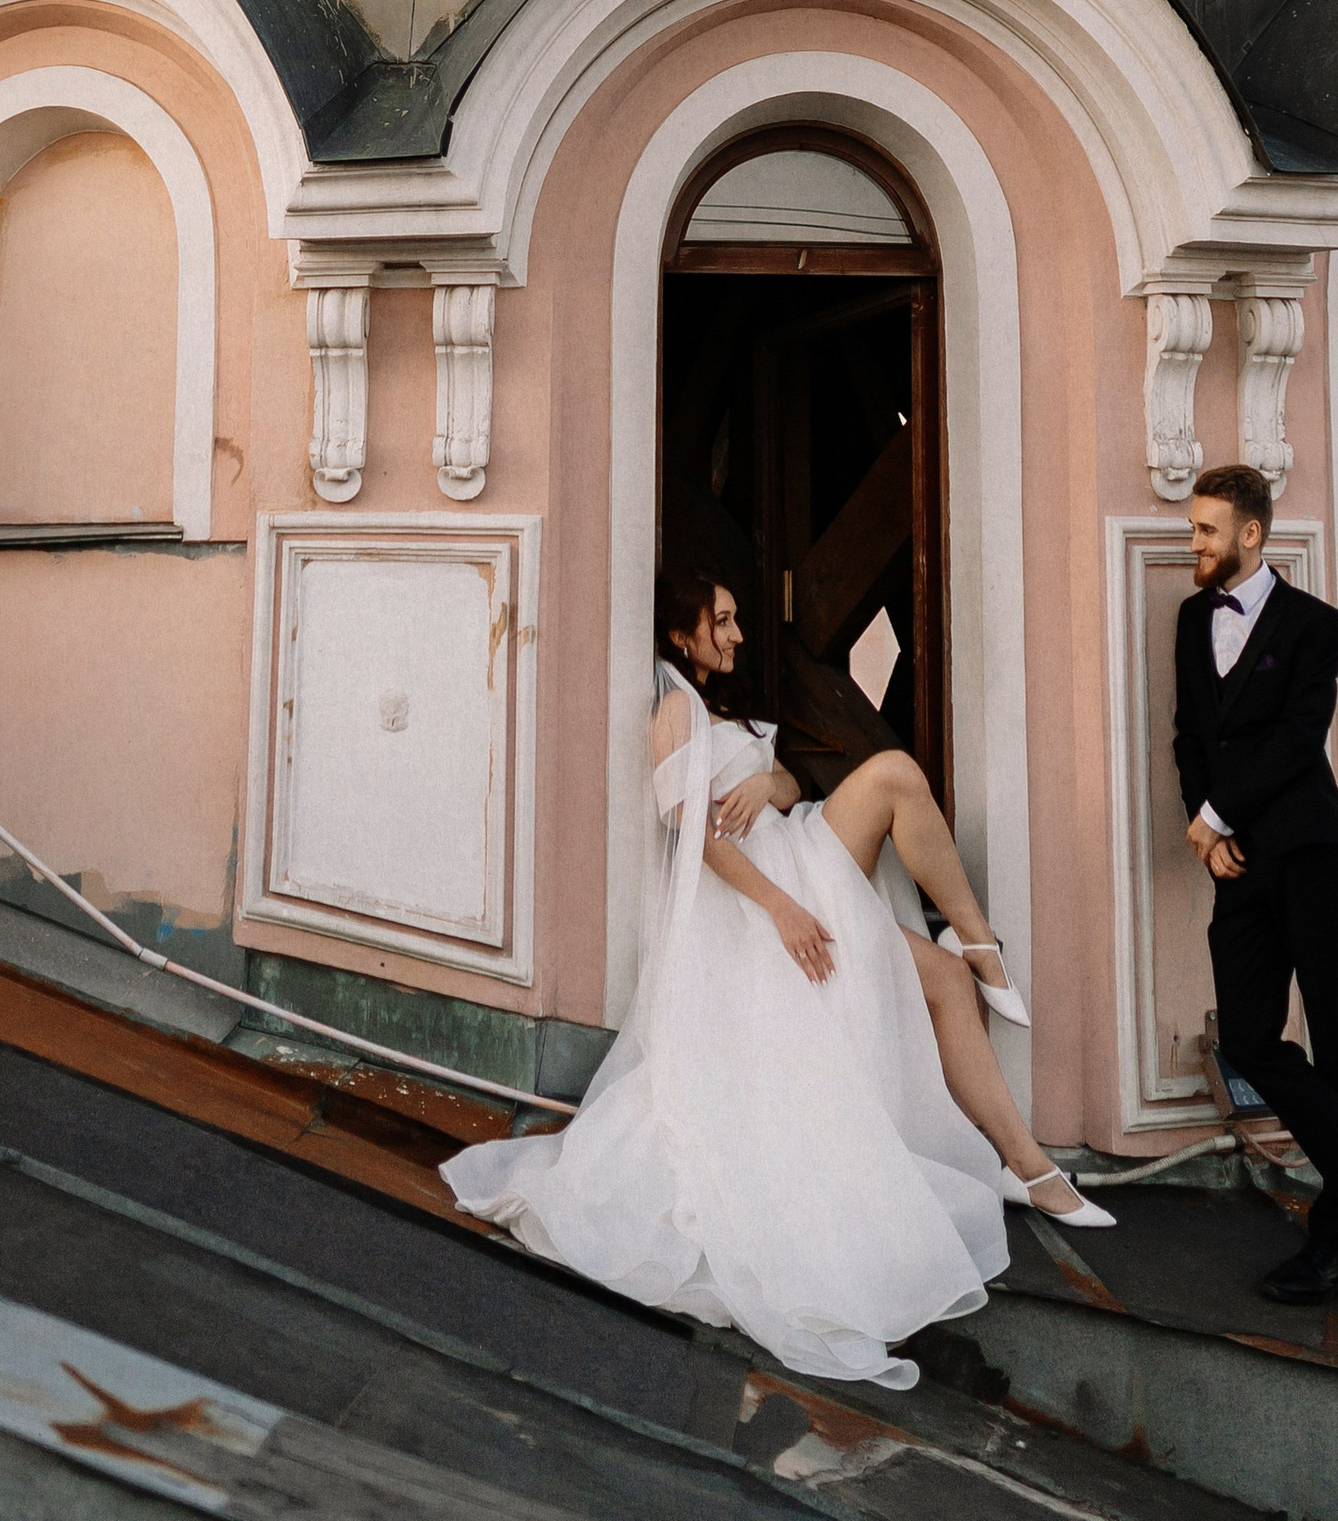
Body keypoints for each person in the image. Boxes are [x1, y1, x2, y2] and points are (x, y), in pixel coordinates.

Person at [443, 567, 1111, 1387]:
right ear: (681, 633)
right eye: (720, 622)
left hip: (799, 848)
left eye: (734, 619)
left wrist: (769, 781)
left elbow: (789, 785)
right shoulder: (674, 711)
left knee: (930, 921)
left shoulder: (716, 707)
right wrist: (783, 912)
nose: (736, 635)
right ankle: (1026, 1146)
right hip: (769, 898)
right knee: (922, 901)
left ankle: (1020, 1136)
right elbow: (696, 837)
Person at [1173, 462, 1338, 1312]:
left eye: (1207, 530)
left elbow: (1298, 741)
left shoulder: (1317, 624)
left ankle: (1336, 1242)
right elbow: (1188, 735)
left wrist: (1215, 813)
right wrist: (1205, 823)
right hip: (1240, 864)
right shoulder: (1191, 618)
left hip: (1314, 855)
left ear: (1251, 534)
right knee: (1251, 1040)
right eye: (1194, 530)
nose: (1196, 543)